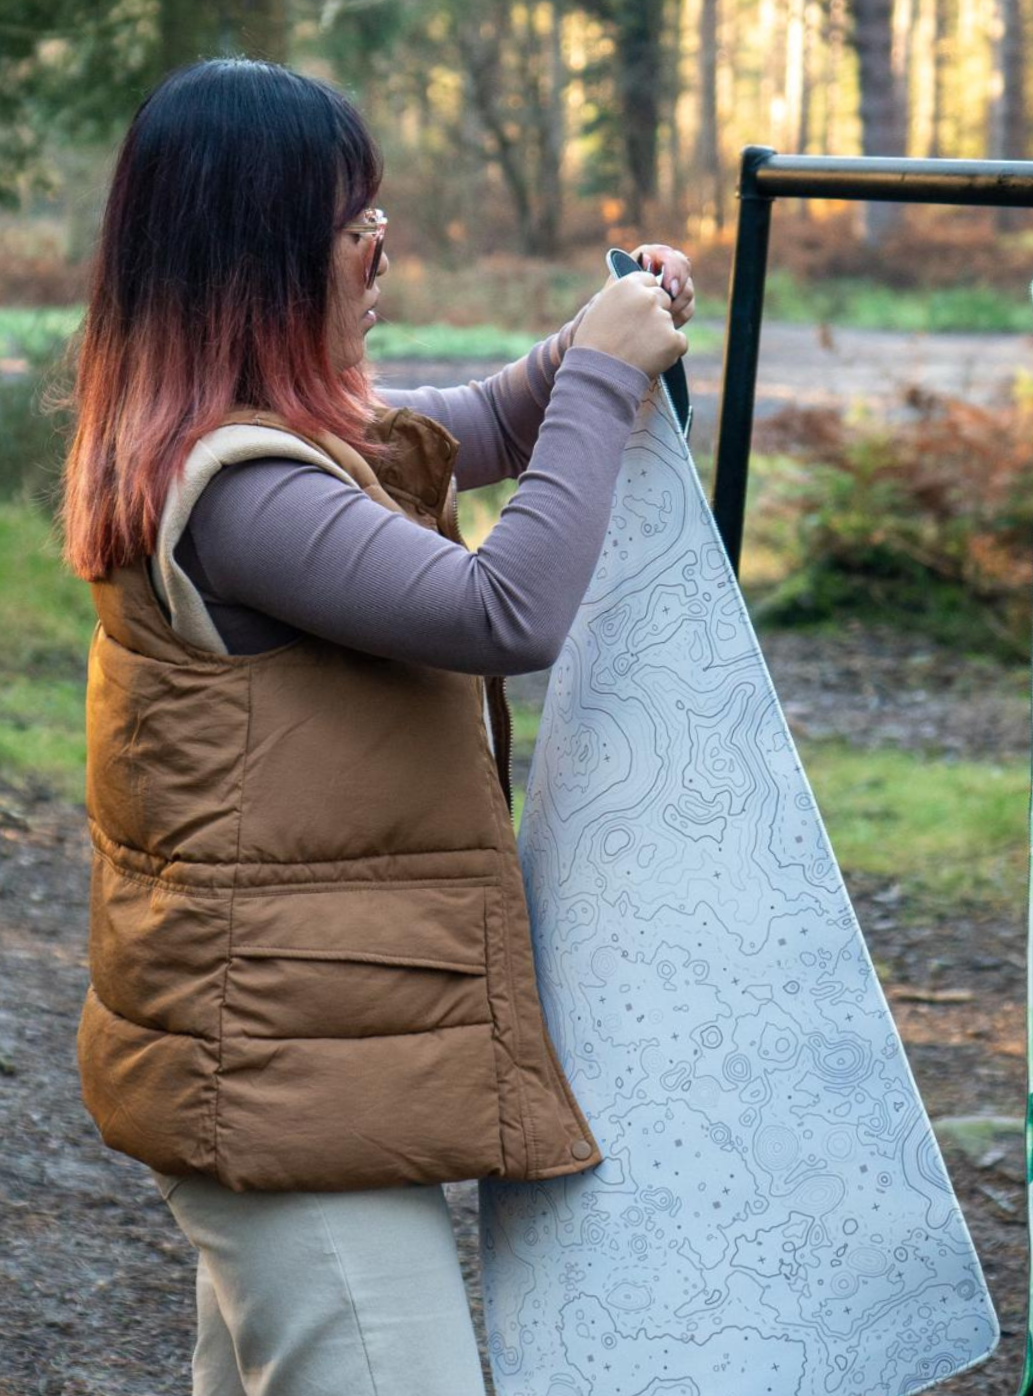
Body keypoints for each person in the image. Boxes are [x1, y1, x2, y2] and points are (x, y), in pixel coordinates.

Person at [61, 57, 694, 1396]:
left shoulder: (248, 445)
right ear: (265, 258)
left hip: (292, 1061)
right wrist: (598, 385)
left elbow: (458, 433)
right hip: (281, 1083)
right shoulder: (239, 491)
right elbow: (502, 613)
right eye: (358, 227)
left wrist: (592, 345)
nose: (382, 253)